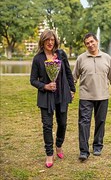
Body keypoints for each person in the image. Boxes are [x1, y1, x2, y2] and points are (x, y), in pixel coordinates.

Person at [30, 29, 75, 168]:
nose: (50, 42)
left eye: (52, 40)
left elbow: (68, 72)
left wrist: (72, 89)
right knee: (47, 126)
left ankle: (59, 145)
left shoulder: (61, 54)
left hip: (61, 94)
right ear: (42, 41)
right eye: (47, 40)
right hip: (46, 96)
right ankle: (49, 154)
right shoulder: (38, 58)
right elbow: (33, 80)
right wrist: (45, 86)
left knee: (62, 123)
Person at [72, 33, 111, 161]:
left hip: (102, 96)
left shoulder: (107, 58)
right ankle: (84, 151)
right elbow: (73, 77)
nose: (90, 44)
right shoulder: (81, 59)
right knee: (84, 123)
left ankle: (97, 146)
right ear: (85, 45)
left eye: (92, 41)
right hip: (85, 97)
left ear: (97, 41)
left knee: (100, 122)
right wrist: (71, 91)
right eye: (87, 43)